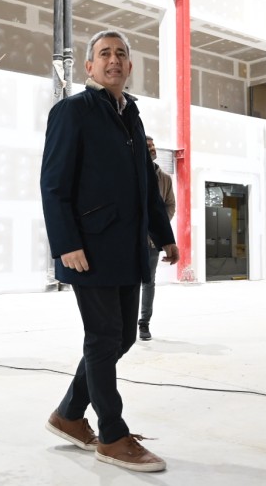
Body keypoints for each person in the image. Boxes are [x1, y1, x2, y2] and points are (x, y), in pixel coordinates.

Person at [40, 29, 178, 473]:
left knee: (122, 338)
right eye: (105, 53)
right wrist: (66, 244)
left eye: (121, 54)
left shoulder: (131, 115)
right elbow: (54, 184)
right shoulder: (72, 111)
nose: (114, 60)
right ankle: (113, 436)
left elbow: (146, 186)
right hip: (90, 247)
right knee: (102, 338)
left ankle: (68, 414)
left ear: (130, 66)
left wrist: (164, 234)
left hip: (128, 247)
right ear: (90, 66)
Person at [138, 135, 175, 341]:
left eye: (154, 146)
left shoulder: (165, 179)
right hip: (130, 240)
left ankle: (144, 323)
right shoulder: (131, 173)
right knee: (127, 281)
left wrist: (158, 226)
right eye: (148, 146)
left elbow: (170, 205)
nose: (153, 149)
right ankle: (123, 322)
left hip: (152, 241)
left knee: (148, 282)